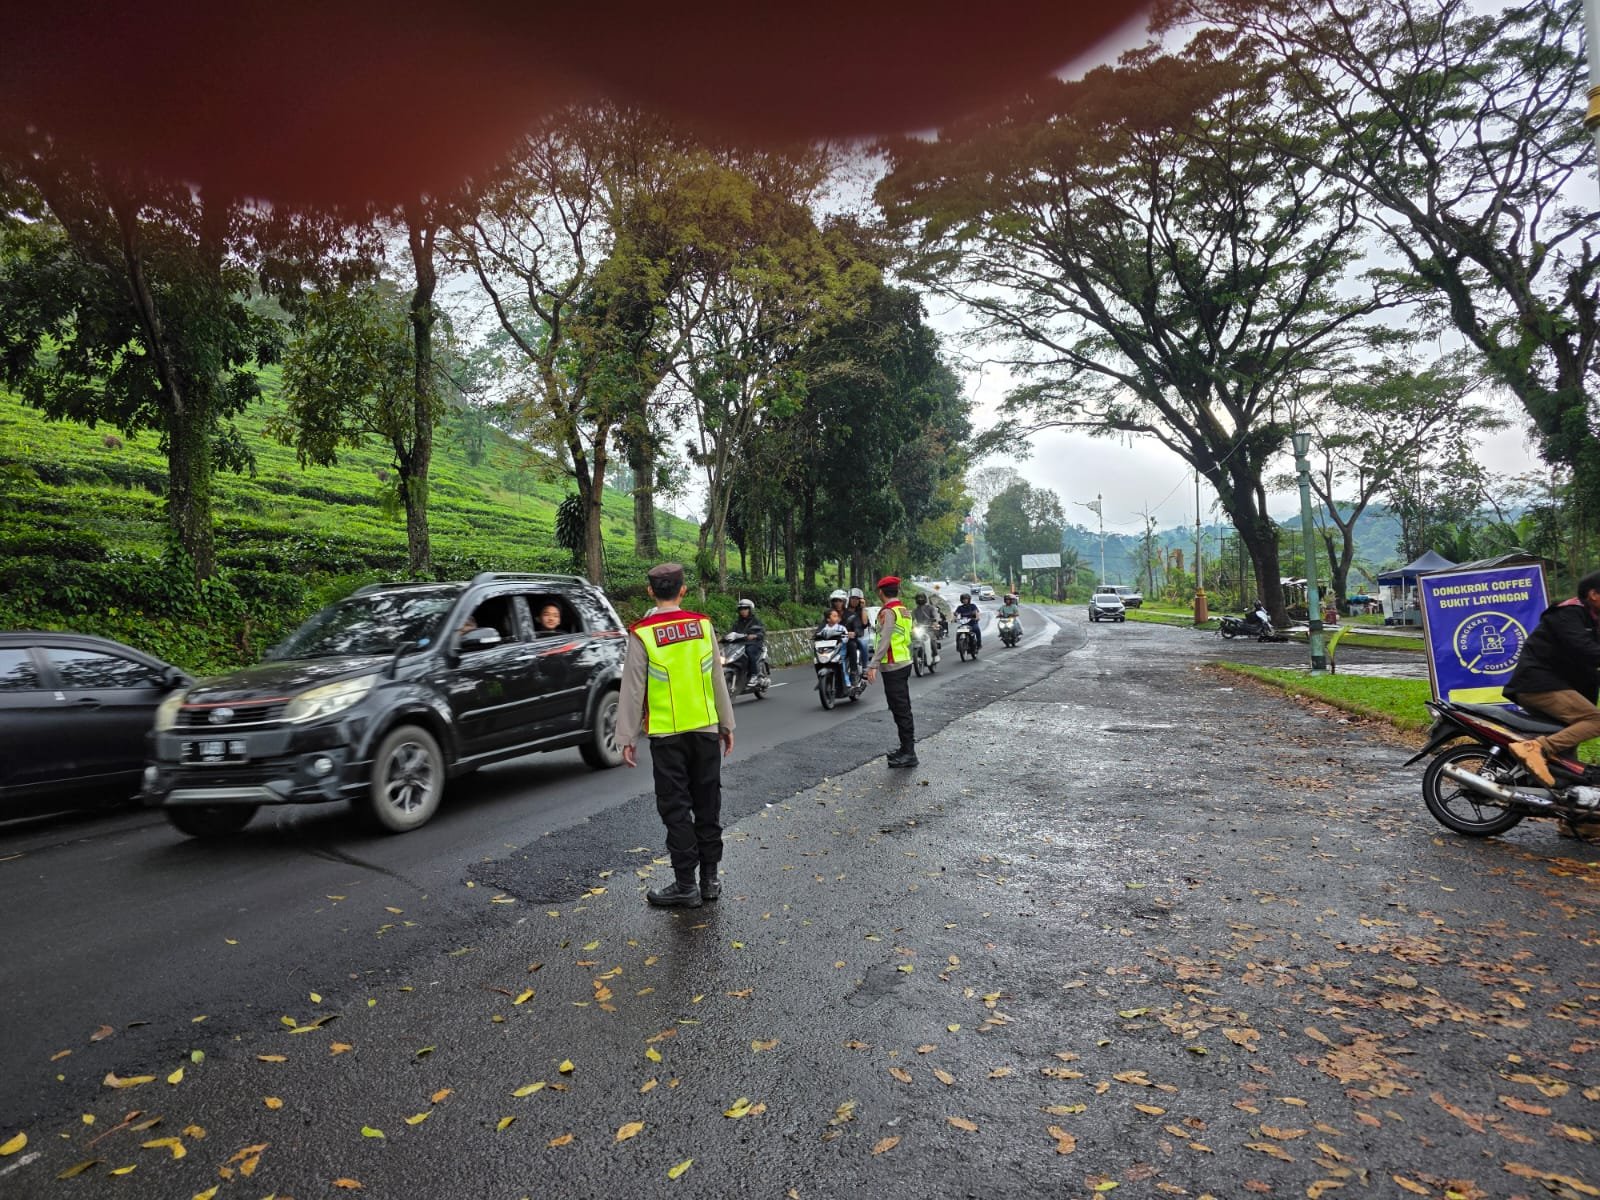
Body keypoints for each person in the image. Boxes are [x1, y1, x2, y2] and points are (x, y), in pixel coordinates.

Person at [617, 563, 736, 906]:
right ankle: (709, 880)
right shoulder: (703, 625)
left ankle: (686, 886)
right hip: (705, 730)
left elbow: (633, 688)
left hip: (667, 736)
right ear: (683, 590)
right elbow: (717, 678)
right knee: (708, 804)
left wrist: (626, 737)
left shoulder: (642, 633)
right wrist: (726, 725)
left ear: (650, 591)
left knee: (676, 809)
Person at [1504, 570, 1600, 841]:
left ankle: (1576, 823)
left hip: (1555, 686)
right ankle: (1536, 748)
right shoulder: (1568, 614)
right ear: (1594, 595)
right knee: (1596, 721)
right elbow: (1585, 651)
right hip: (1538, 684)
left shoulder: (1591, 619)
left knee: (1568, 764)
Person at [865, 576, 916, 767]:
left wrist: (873, 664)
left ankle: (909, 753)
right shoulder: (903, 609)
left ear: (881, 592)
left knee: (901, 709)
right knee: (901, 708)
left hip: (893, 665)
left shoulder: (888, 612)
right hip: (903, 662)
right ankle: (905, 749)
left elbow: (885, 639)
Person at [726, 598, 768, 681]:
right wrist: (724, 637)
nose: (743, 611)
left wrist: (755, 635)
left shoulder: (756, 621)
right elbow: (732, 632)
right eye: (741, 609)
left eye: (745, 608)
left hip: (753, 643)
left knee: (749, 651)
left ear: (750, 610)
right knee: (728, 652)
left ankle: (754, 675)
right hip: (740, 644)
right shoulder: (737, 622)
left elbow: (762, 632)